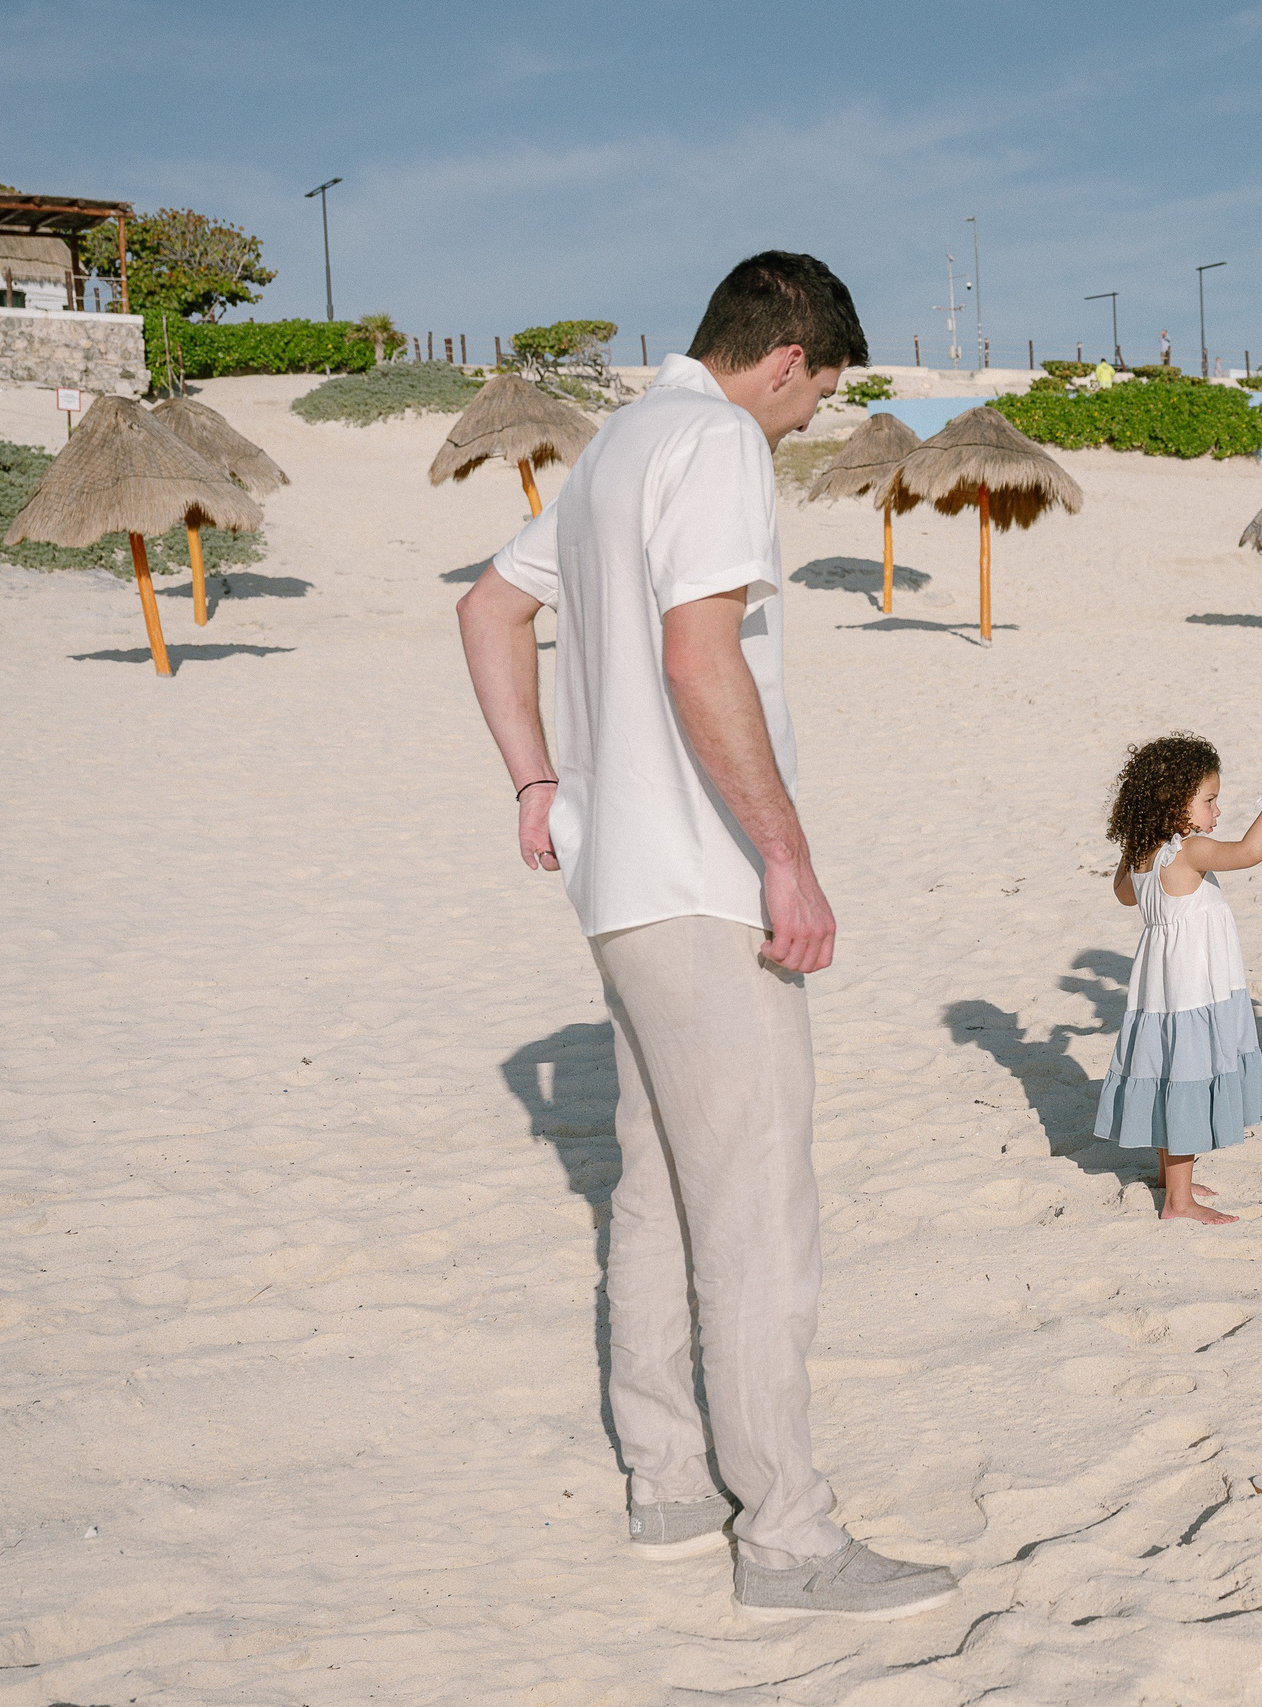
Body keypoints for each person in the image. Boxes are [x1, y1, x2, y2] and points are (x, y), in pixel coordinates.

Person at [455, 251, 958, 1621]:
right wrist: (787, 860)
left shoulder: (615, 444)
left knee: (657, 1192)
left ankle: (671, 1485)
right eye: (821, 395)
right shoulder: (719, 440)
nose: (808, 424)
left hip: (617, 883)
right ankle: (786, 1534)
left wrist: (535, 780)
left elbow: (488, 608)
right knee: (756, 1218)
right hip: (700, 880)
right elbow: (699, 653)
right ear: (786, 357)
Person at [1096, 734, 1262, 1224]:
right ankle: (1179, 1202)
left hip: (1159, 986)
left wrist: (1133, 845)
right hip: (1191, 986)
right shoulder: (1187, 851)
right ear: (1174, 805)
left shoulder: (1146, 852)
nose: (1216, 811)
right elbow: (1251, 852)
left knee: (1167, 1069)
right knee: (1186, 1075)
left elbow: (1125, 895)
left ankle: (1171, 1178)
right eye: (1209, 800)